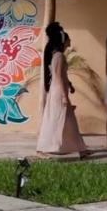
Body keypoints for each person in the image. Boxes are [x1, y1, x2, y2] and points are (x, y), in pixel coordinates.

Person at [36, 22, 89, 158]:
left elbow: (60, 75)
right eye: (68, 40)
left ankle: (81, 149)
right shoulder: (59, 56)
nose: (70, 42)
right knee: (55, 121)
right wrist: (65, 96)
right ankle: (42, 149)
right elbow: (59, 77)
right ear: (63, 41)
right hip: (58, 93)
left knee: (69, 121)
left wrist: (69, 85)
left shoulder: (57, 56)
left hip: (57, 91)